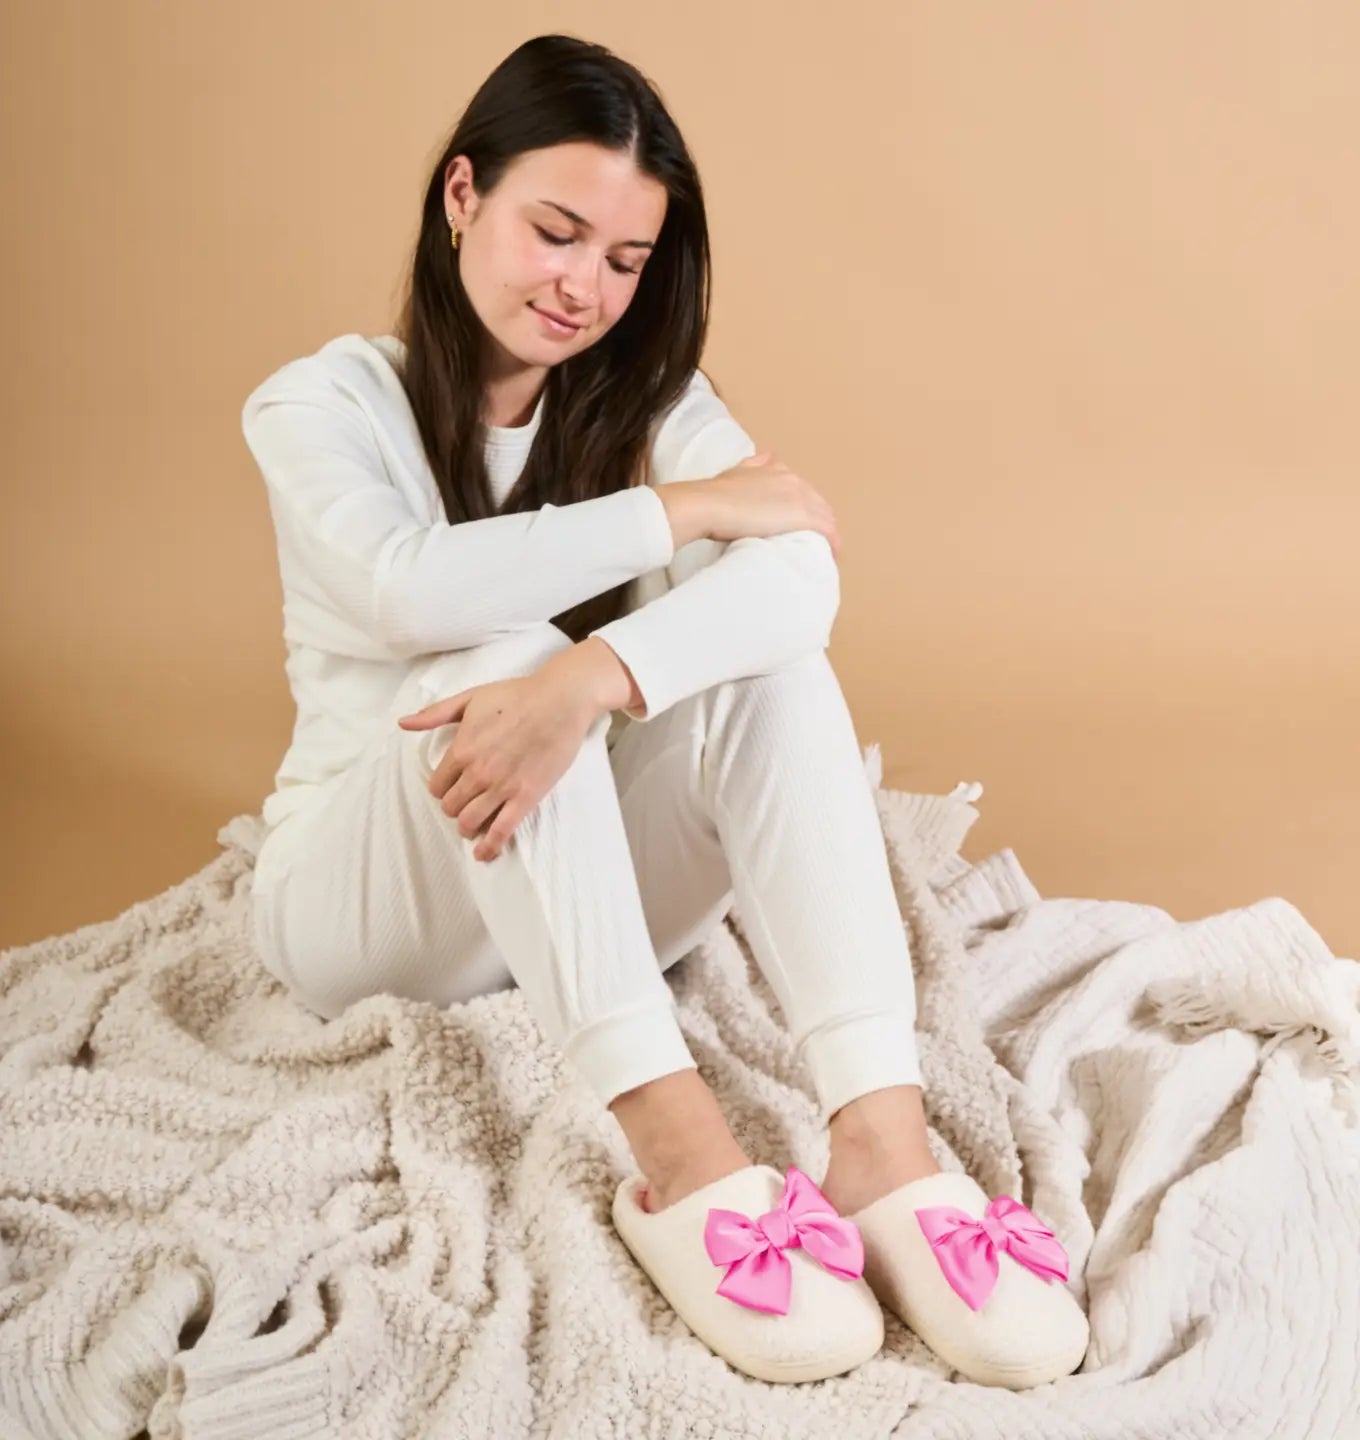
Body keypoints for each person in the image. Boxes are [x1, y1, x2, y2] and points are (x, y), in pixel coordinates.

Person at [242, 32, 1089, 1389]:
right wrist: (677, 512)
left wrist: (592, 681)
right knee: (488, 655)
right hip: (364, 912)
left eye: (624, 262)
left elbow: (800, 580)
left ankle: (883, 1142)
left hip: (576, 893)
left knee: (763, 667)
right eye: (554, 232)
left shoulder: (646, 390)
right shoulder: (321, 403)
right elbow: (410, 593)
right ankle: (681, 1150)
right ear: (462, 196)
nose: (584, 288)